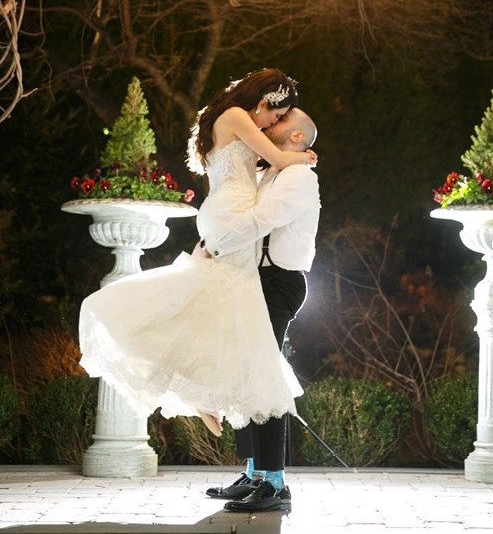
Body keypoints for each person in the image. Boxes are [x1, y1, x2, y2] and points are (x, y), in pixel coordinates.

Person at [78, 68, 317, 434]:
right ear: (265, 101)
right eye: (276, 114)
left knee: (211, 308)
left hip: (222, 211)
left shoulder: (228, 120)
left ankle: (204, 394)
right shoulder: (238, 117)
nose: (273, 123)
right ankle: (206, 395)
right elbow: (281, 158)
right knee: (228, 310)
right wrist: (306, 157)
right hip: (232, 212)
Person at [200, 107, 320, 512]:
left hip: (280, 282)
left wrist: (215, 244)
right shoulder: (271, 172)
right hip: (254, 280)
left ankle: (275, 482)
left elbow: (263, 219)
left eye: (283, 121)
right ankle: (254, 472)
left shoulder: (301, 177)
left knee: (264, 375)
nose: (271, 123)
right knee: (246, 372)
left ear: (299, 138)